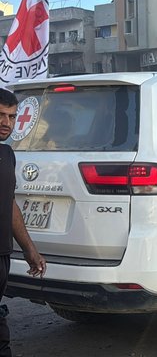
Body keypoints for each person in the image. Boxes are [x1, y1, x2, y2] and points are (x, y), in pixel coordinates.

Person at [0, 89, 47, 356]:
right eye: (0, 115)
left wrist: (30, 249)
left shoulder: (7, 155)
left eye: (11, 116)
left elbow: (9, 202)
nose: (6, 122)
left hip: (2, 255)